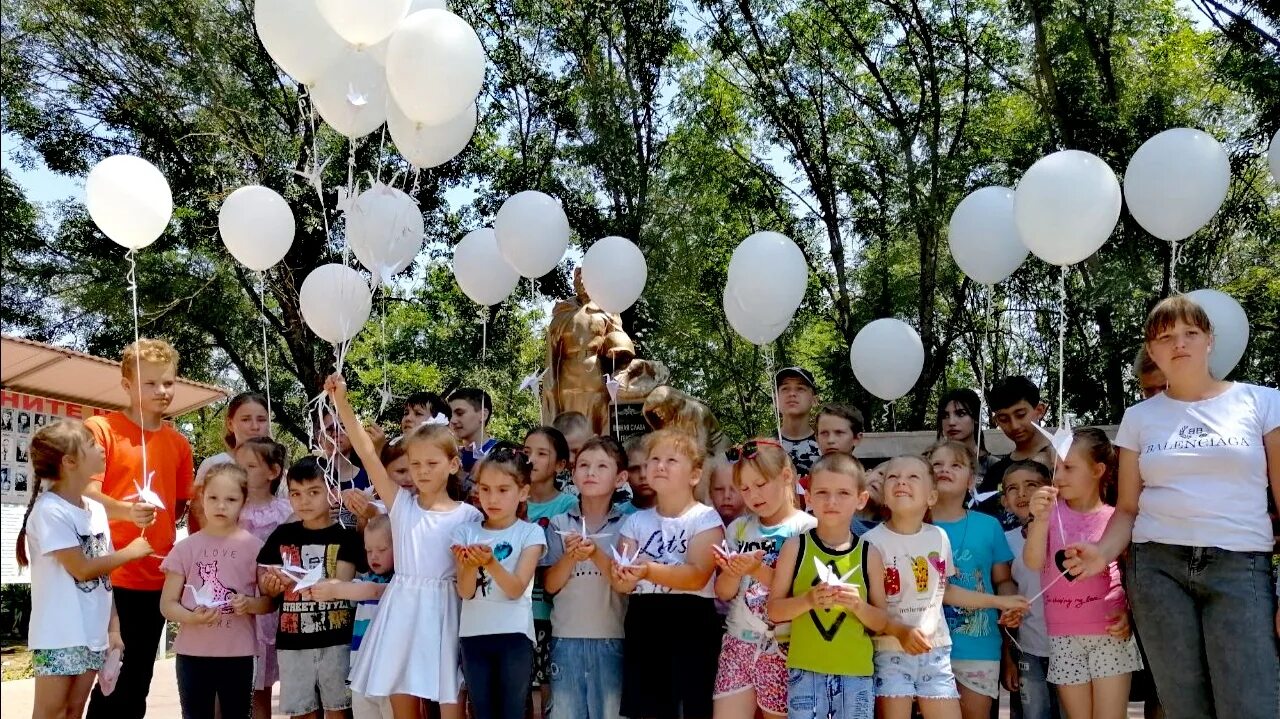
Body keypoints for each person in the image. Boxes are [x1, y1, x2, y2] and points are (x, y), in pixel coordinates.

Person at [1066, 295, 1280, 719]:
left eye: (1190, 333)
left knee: (1252, 703)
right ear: (1153, 348)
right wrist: (1101, 552)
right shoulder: (1140, 417)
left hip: (1240, 567)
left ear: (1209, 341)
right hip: (1157, 570)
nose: (1178, 343)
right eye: (1165, 337)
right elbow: (1127, 509)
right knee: (1183, 707)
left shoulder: (1263, 401)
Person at [331, 373, 483, 719]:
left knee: (450, 701)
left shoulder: (469, 516)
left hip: (446, 609)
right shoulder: (402, 505)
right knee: (402, 702)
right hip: (402, 608)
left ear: (453, 464)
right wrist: (342, 402)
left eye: (432, 463)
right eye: (415, 464)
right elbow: (369, 454)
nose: (422, 471)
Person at [865, 456, 1028, 719]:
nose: (901, 482)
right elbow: (870, 607)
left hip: (937, 651)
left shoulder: (938, 537)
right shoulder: (869, 542)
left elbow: (946, 592)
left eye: (912, 477)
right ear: (883, 494)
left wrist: (1001, 602)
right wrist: (898, 631)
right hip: (889, 651)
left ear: (931, 497)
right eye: (892, 477)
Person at [85, 338, 195, 719]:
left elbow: (181, 505)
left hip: (156, 578)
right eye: (150, 383)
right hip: (107, 576)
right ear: (127, 384)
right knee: (105, 681)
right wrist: (124, 511)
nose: (162, 391)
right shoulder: (101, 428)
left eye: (168, 382)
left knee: (137, 684)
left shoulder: (180, 443)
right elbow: (84, 489)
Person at [16, 420, 153, 719]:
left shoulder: (96, 510)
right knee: (51, 712)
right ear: (69, 462)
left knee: (75, 710)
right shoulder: (50, 510)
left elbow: (104, 579)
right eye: (91, 445)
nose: (101, 449)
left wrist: (113, 629)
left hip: (92, 634)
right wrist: (131, 554)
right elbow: (82, 568)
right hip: (59, 635)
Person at [1024, 429, 1141, 719]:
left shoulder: (1118, 518)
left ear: (1098, 470)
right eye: (1056, 467)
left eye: (1069, 467)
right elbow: (1033, 561)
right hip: (1063, 636)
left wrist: (1129, 614)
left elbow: (1131, 575)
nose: (1059, 476)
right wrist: (1039, 519)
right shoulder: (1049, 514)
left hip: (1109, 633)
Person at [613, 429, 725, 719]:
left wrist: (647, 569)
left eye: (671, 460)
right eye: (654, 459)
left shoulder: (705, 518)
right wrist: (623, 576)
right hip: (643, 620)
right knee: (648, 710)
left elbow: (697, 576)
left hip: (692, 621)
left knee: (693, 706)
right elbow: (622, 580)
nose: (660, 466)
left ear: (695, 475)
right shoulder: (635, 521)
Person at [768, 453, 890, 719]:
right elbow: (774, 611)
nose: (831, 501)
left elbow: (881, 621)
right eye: (822, 492)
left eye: (843, 493)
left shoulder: (869, 554)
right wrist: (808, 600)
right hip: (805, 672)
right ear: (808, 498)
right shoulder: (795, 548)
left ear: (861, 500)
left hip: (856, 673)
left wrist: (857, 605)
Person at [713, 439, 816, 719]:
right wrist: (733, 572)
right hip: (738, 643)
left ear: (786, 476)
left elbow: (801, 592)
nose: (752, 495)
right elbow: (723, 592)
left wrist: (754, 569)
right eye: (744, 488)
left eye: (760, 484)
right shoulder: (739, 529)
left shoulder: (807, 528)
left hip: (785, 647)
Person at [161, 464, 273, 719]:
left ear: (244, 502)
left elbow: (269, 602)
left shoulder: (255, 547)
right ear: (202, 498)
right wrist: (191, 617)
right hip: (192, 654)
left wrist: (249, 604)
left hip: (239, 654)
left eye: (231, 499)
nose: (221, 506)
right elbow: (167, 604)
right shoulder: (185, 548)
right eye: (213, 498)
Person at [257, 457, 364, 719]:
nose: (304, 501)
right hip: (293, 643)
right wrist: (270, 585)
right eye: (296, 494)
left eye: (313, 492)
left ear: (332, 493)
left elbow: (343, 579)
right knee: (301, 712)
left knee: (338, 710)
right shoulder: (282, 535)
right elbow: (265, 582)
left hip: (337, 641)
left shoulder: (345, 536)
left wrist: (293, 580)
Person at [926, 441, 1025, 718]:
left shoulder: (989, 525)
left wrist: (1009, 604)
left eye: (955, 465)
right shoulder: (912, 525)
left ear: (971, 480)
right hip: (923, 648)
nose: (945, 470)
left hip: (979, 647)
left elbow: (1002, 581)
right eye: (937, 464)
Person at [451, 448, 547, 719]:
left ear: (523, 492)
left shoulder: (530, 532)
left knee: (512, 710)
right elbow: (466, 591)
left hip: (514, 636)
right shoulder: (466, 532)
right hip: (473, 636)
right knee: (481, 710)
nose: (492, 498)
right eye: (485, 489)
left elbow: (516, 589)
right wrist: (469, 565)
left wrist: (490, 563)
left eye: (503, 490)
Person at [544, 436, 631, 719]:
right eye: (583, 465)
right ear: (573, 473)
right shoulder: (559, 524)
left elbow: (625, 583)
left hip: (613, 639)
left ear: (620, 478)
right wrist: (571, 555)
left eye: (601, 466)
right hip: (565, 639)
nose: (590, 472)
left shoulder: (629, 525)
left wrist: (594, 553)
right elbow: (551, 585)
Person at [305, 514, 396, 719]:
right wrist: (317, 589)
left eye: (382, 550)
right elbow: (351, 587)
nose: (374, 556)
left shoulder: (399, 582)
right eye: (368, 550)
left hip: (390, 676)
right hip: (361, 672)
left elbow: (371, 591)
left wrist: (334, 590)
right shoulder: (364, 579)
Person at [234, 437, 294, 718]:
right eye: (238, 466)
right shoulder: (232, 509)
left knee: (262, 689)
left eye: (250, 466)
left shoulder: (286, 511)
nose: (240, 472)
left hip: (272, 606)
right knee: (232, 684)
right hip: (236, 602)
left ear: (273, 471)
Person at [523, 426, 577, 715]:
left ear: (560, 465)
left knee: (549, 694)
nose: (531, 459)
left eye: (542, 453)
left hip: (553, 616)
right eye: (527, 452)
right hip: (517, 616)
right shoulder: (511, 502)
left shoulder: (568, 505)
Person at [998, 460, 1059, 719]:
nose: (1022, 494)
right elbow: (1007, 599)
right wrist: (1009, 656)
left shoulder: (1064, 533)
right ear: (1004, 500)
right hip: (1029, 649)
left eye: (1031, 485)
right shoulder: (1005, 540)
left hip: (1070, 646)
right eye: (1012, 488)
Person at [981, 378, 1051, 530]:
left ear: (1039, 410)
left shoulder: (1064, 461)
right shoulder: (996, 473)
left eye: (1020, 415)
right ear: (996, 420)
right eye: (1004, 419)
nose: (1014, 425)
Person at [194, 392, 271, 486]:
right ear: (230, 424)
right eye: (246, 419)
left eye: (261, 420)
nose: (255, 426)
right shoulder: (213, 464)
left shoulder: (275, 468)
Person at [315, 408, 370, 528]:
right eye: (329, 429)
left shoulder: (369, 478)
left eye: (342, 428)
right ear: (319, 437)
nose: (335, 434)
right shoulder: (312, 478)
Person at [937, 389, 995, 481]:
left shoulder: (994, 466)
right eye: (945, 416)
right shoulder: (931, 467)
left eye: (961, 414)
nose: (951, 422)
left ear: (976, 418)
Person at [775, 368, 821, 480]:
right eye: (785, 388)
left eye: (800, 388)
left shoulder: (826, 446)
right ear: (776, 400)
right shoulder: (764, 447)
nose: (792, 394)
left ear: (815, 400)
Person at [450, 387, 498, 491]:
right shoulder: (449, 456)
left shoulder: (501, 454)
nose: (452, 420)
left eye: (459, 413)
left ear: (483, 415)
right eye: (450, 415)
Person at [616, 436, 653, 514]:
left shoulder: (678, 515)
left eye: (648, 467)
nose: (643, 475)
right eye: (634, 469)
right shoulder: (617, 518)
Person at [707, 455, 746, 526]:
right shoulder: (702, 526)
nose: (726, 495)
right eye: (719, 489)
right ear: (710, 493)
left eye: (733, 489)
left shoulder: (758, 527)